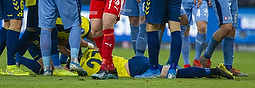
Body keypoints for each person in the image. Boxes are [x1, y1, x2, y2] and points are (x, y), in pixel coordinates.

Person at [80, 49, 235, 79]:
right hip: (134, 61)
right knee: (173, 71)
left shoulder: (84, 68)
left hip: (132, 70)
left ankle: (214, 71)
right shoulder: (93, 50)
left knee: (175, 73)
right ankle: (211, 73)